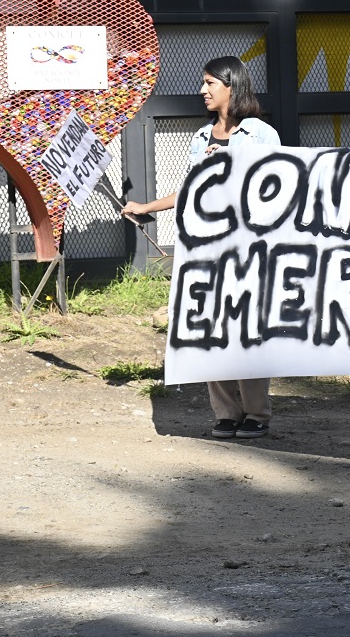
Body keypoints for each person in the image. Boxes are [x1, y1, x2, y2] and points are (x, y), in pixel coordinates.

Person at [123, 56, 280, 439]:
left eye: (210, 83)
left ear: (232, 85)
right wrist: (146, 207)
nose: (202, 90)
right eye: (203, 82)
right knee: (211, 329)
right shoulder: (200, 137)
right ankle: (226, 413)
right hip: (206, 249)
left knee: (246, 330)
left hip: (248, 250)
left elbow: (276, 188)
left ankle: (257, 414)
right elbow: (192, 191)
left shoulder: (260, 134)